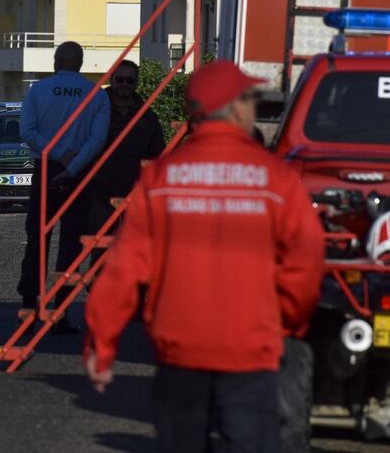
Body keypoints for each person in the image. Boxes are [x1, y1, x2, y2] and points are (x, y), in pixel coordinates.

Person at [84, 60, 325, 453]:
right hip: (251, 350)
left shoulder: (160, 179)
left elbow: (124, 269)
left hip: (180, 350)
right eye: (251, 98)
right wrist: (285, 321)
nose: (254, 107)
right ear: (235, 107)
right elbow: (306, 263)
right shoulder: (277, 180)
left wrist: (102, 343)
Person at [19, 41, 110, 333]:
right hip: (80, 173)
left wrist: (57, 154)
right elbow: (98, 140)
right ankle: (61, 311)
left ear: (55, 61)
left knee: (37, 239)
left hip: (46, 169)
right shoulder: (96, 95)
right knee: (71, 243)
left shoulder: (38, 90)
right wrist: (73, 165)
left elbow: (27, 132)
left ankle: (29, 305)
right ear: (81, 64)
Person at [87, 60, 165, 253]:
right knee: (101, 251)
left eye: (129, 80)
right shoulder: (94, 111)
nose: (124, 84)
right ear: (111, 80)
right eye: (120, 79)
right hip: (100, 192)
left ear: (136, 83)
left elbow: (158, 154)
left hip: (135, 192)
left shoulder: (147, 116)